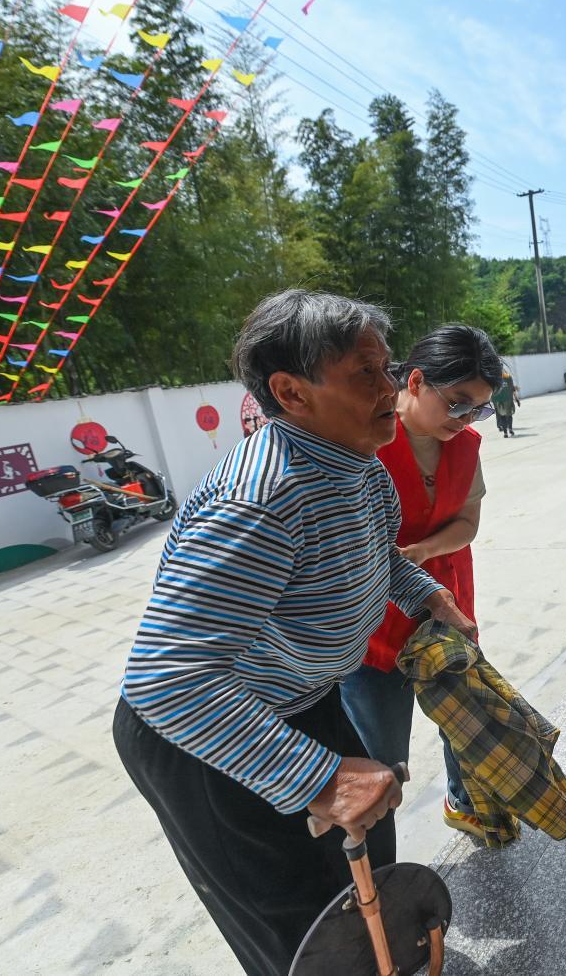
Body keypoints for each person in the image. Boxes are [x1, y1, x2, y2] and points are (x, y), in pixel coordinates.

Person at [112, 291, 476, 976]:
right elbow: (166, 679)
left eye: (388, 369)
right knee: (303, 929)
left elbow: (372, 551)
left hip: (301, 698)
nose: (390, 389)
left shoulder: (357, 463)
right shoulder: (263, 499)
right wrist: (315, 777)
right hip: (203, 733)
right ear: (291, 392)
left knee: (368, 869)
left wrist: (425, 593)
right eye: (365, 375)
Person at [341, 326, 502, 839]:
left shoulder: (466, 445)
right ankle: (373, 858)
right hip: (374, 624)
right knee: (380, 757)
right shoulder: (362, 443)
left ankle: (463, 801)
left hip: (447, 603)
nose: (466, 419)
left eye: (478, 409)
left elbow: (468, 523)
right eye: (457, 403)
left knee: (464, 719)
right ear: (414, 381)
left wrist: (424, 552)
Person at [492, 369, 520, 438]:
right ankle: (510, 428)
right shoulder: (508, 377)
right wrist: (516, 399)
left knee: (502, 416)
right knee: (509, 415)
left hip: (498, 400)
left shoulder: (493, 378)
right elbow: (512, 389)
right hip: (507, 399)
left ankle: (505, 433)